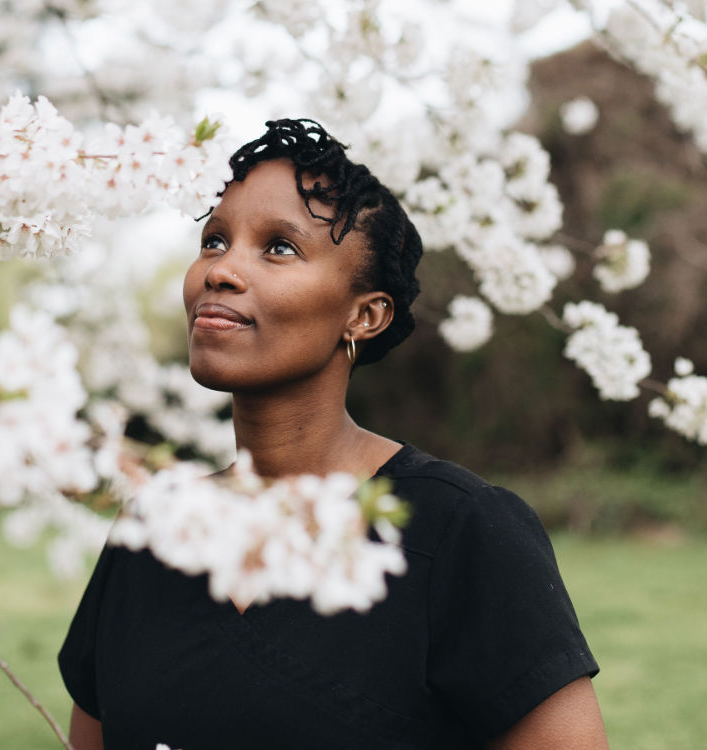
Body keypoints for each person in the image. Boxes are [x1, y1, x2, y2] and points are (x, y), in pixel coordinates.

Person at [59, 119, 608, 749]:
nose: (221, 270)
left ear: (365, 314)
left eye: (280, 248)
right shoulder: (149, 531)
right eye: (214, 241)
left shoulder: (462, 532)